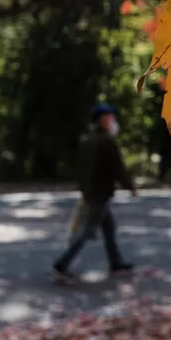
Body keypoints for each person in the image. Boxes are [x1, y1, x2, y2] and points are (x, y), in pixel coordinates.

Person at [50, 103, 136, 284]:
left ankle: (116, 263)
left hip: (91, 191)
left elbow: (81, 168)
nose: (113, 120)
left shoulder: (87, 139)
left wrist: (84, 188)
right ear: (103, 119)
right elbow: (117, 168)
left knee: (109, 227)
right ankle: (62, 264)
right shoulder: (106, 141)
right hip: (100, 192)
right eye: (110, 117)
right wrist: (130, 186)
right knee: (87, 231)